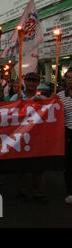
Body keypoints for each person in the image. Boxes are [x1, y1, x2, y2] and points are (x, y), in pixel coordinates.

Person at [9, 72, 47, 203]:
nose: (31, 83)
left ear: (38, 83)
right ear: (25, 81)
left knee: (38, 167)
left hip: (37, 136)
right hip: (21, 135)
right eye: (29, 80)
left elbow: (50, 114)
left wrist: (46, 102)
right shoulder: (16, 97)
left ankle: (38, 192)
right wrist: (19, 103)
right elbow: (8, 114)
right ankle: (22, 191)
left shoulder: (43, 98)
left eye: (34, 81)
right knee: (22, 166)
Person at [57, 68, 72, 205]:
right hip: (68, 132)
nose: (70, 80)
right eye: (68, 78)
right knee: (68, 163)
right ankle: (70, 191)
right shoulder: (60, 96)